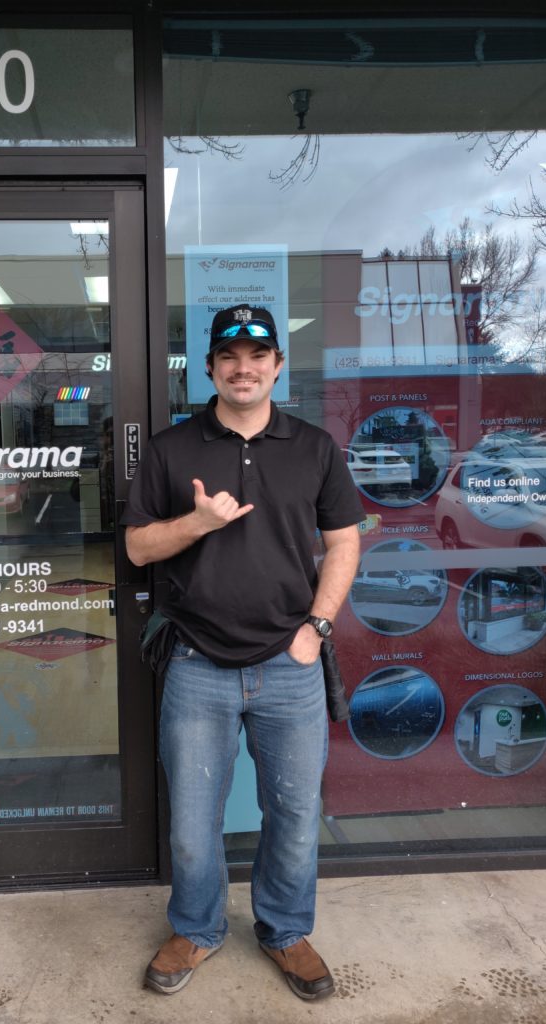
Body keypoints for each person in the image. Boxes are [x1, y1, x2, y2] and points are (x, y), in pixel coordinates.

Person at [121, 304, 365, 1001]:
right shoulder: (172, 449)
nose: (243, 366)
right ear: (210, 369)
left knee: (292, 817)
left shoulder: (314, 447)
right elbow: (138, 547)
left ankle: (285, 930)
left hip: (289, 668)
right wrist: (195, 524)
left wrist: (315, 628)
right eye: (229, 355)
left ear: (278, 366)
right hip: (196, 665)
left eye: (258, 354)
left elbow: (345, 542)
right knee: (194, 827)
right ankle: (196, 928)